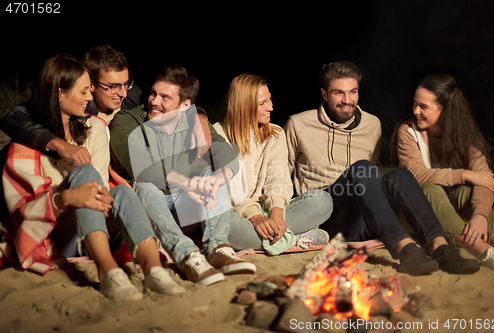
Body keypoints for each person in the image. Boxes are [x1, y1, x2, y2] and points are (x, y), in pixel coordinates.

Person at [1, 54, 186, 300]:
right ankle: (107, 270)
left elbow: (98, 189)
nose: (89, 99)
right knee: (85, 171)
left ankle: (154, 270)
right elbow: (23, 213)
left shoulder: (94, 127)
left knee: (121, 191)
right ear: (59, 93)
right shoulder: (25, 144)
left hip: (93, 223)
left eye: (90, 91)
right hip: (54, 234)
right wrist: (65, 198)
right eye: (84, 92)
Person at [284, 61, 480, 275]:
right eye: (338, 93)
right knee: (362, 168)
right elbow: (283, 173)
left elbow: (371, 181)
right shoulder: (298, 124)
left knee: (399, 175)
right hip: (329, 217)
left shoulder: (372, 124)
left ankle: (440, 246)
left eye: (353, 92)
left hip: (364, 218)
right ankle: (404, 248)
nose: (347, 100)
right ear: (324, 94)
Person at [110, 66, 256, 287]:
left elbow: (226, 153)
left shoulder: (193, 123)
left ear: (184, 106)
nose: (154, 101)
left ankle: (218, 249)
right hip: (149, 210)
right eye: (153, 93)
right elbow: (140, 165)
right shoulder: (128, 121)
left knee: (212, 173)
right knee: (144, 183)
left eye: (164, 97)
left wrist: (218, 178)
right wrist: (187, 183)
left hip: (189, 207)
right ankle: (187, 256)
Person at [0, 45, 210, 168]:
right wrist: (58, 144)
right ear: (90, 83)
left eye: (126, 83)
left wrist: (197, 115)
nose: (123, 92)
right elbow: (13, 115)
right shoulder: (78, 107)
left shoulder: (133, 97)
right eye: (112, 87)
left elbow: (173, 97)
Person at [213, 74, 333, 253]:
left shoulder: (275, 133)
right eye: (262, 103)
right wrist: (255, 218)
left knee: (323, 201)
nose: (271, 107)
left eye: (269, 100)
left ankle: (271, 236)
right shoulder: (218, 135)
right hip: (239, 213)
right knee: (219, 220)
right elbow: (231, 192)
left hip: (270, 209)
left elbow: (279, 178)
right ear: (243, 106)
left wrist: (277, 215)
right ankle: (293, 240)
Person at [392, 73, 494, 271]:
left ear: (445, 111)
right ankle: (484, 252)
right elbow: (414, 174)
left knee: (467, 193)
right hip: (415, 215)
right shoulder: (408, 132)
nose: (416, 111)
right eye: (415, 104)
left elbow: (485, 180)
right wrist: (464, 174)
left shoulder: (464, 137)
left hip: (451, 210)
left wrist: (481, 216)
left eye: (423, 107)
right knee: (430, 188)